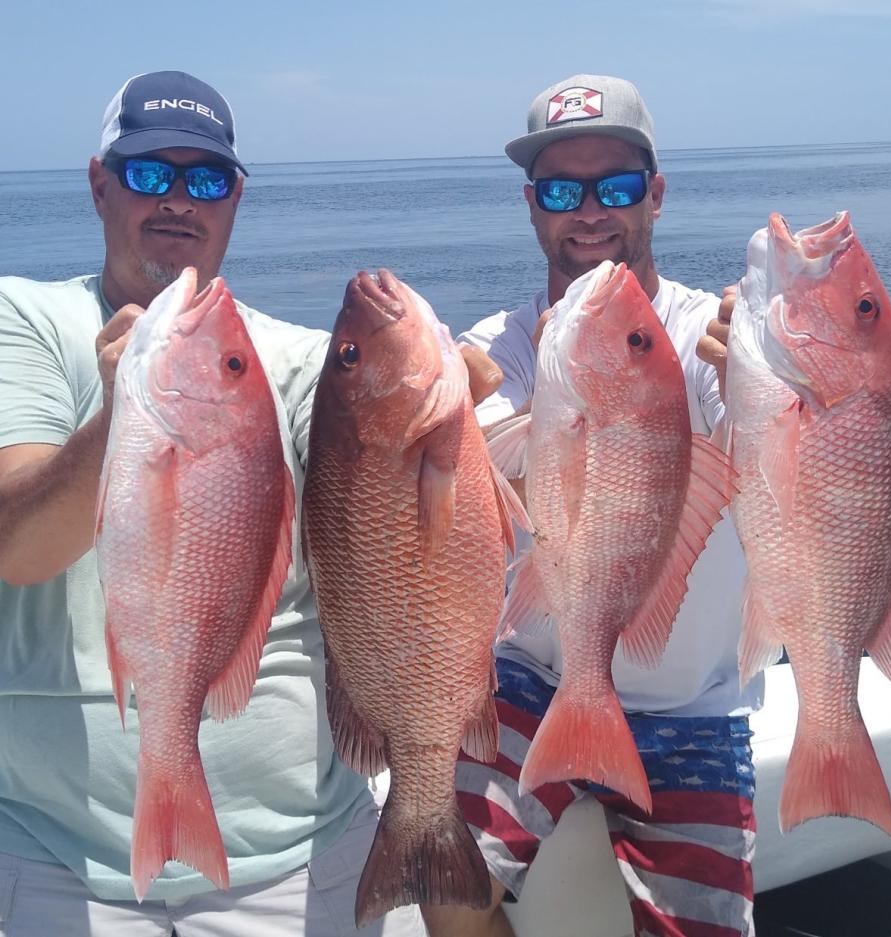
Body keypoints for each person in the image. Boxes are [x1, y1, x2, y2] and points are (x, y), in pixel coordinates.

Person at [0, 70, 432, 937]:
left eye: (207, 179)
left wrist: (427, 417)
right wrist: (121, 415)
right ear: (99, 184)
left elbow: (383, 517)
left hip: (301, 857)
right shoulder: (28, 317)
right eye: (150, 173)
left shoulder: (303, 358)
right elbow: (15, 544)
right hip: (58, 860)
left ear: (234, 197)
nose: (178, 200)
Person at [420, 75, 759, 937]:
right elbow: (499, 494)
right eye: (561, 190)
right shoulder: (499, 348)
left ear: (655, 194)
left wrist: (768, 392)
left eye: (613, 186)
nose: (589, 211)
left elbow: (766, 470)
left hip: (692, 705)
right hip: (533, 676)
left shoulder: (710, 339)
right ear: (532, 206)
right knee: (445, 881)